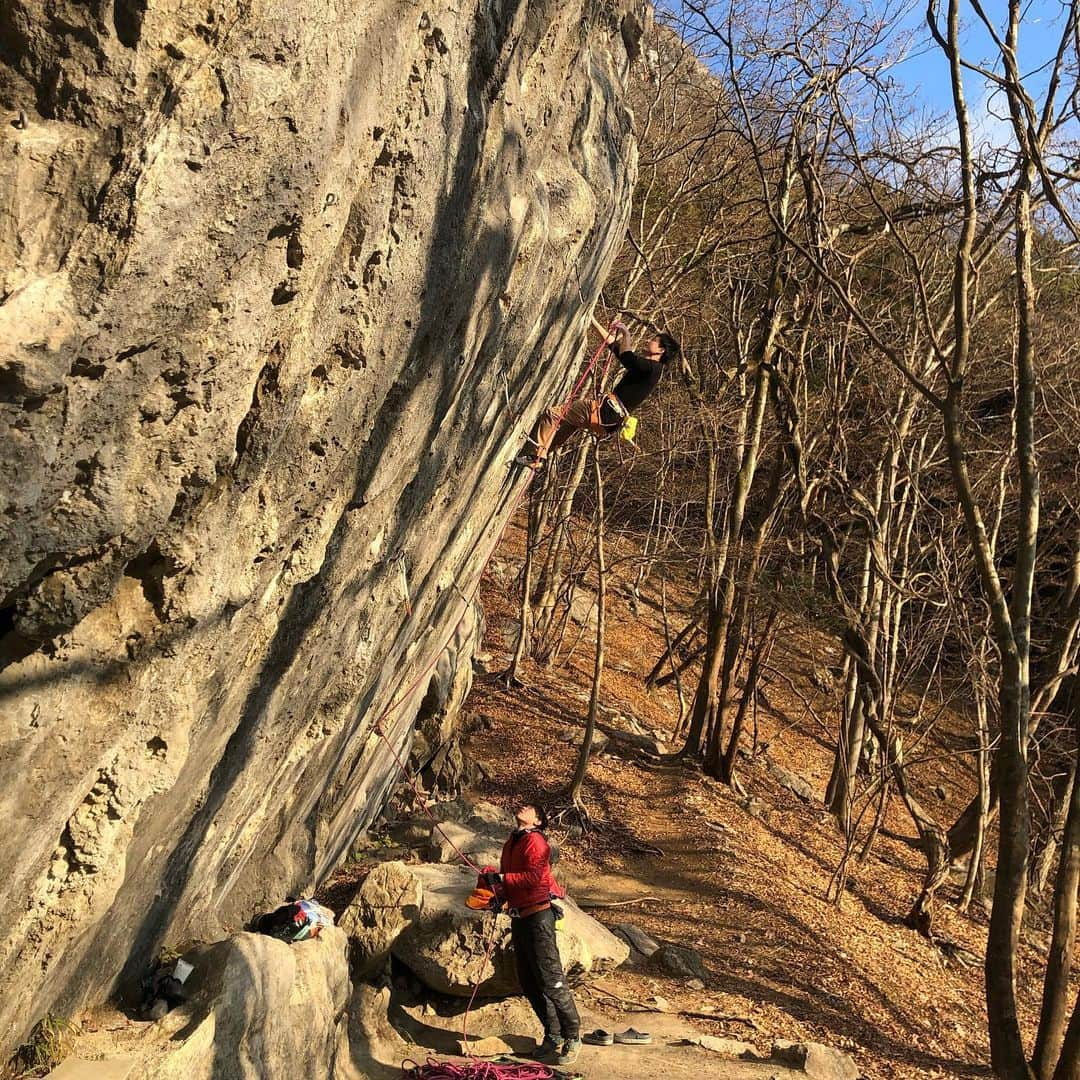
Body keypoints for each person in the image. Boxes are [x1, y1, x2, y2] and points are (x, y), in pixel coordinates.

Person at [515, 318, 681, 470]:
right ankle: (541, 454)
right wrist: (591, 320)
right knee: (568, 425)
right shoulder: (648, 369)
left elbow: (627, 357)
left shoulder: (653, 368)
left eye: (653, 340)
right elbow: (615, 347)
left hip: (603, 411)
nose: (648, 340)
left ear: (661, 350)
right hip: (607, 420)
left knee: (552, 415)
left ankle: (536, 456)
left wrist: (626, 333)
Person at [488, 801, 581, 1065]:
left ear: (537, 821)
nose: (522, 808)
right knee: (529, 981)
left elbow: (534, 879)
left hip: (539, 917)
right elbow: (512, 878)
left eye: (529, 808)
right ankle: (553, 1035)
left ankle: (573, 1036)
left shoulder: (537, 842)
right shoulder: (513, 842)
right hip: (520, 917)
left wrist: (503, 880)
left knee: (551, 979)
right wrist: (501, 897)